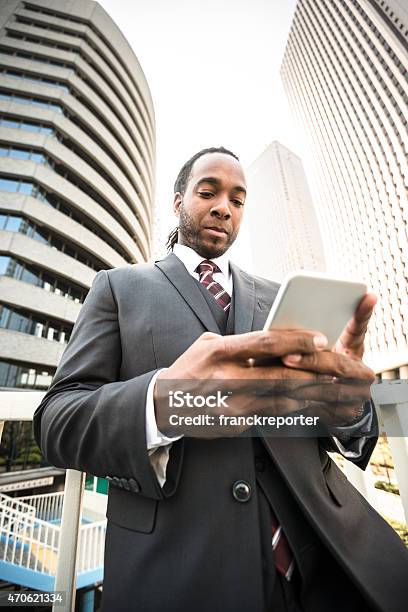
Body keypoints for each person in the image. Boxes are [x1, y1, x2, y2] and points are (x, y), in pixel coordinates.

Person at [33, 147, 408, 612]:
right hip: (183, 568)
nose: (222, 207)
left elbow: (325, 422)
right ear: (177, 202)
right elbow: (57, 420)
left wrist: (347, 405)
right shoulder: (118, 287)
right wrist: (161, 401)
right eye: (208, 192)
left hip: (326, 553)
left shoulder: (281, 295)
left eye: (237, 199)